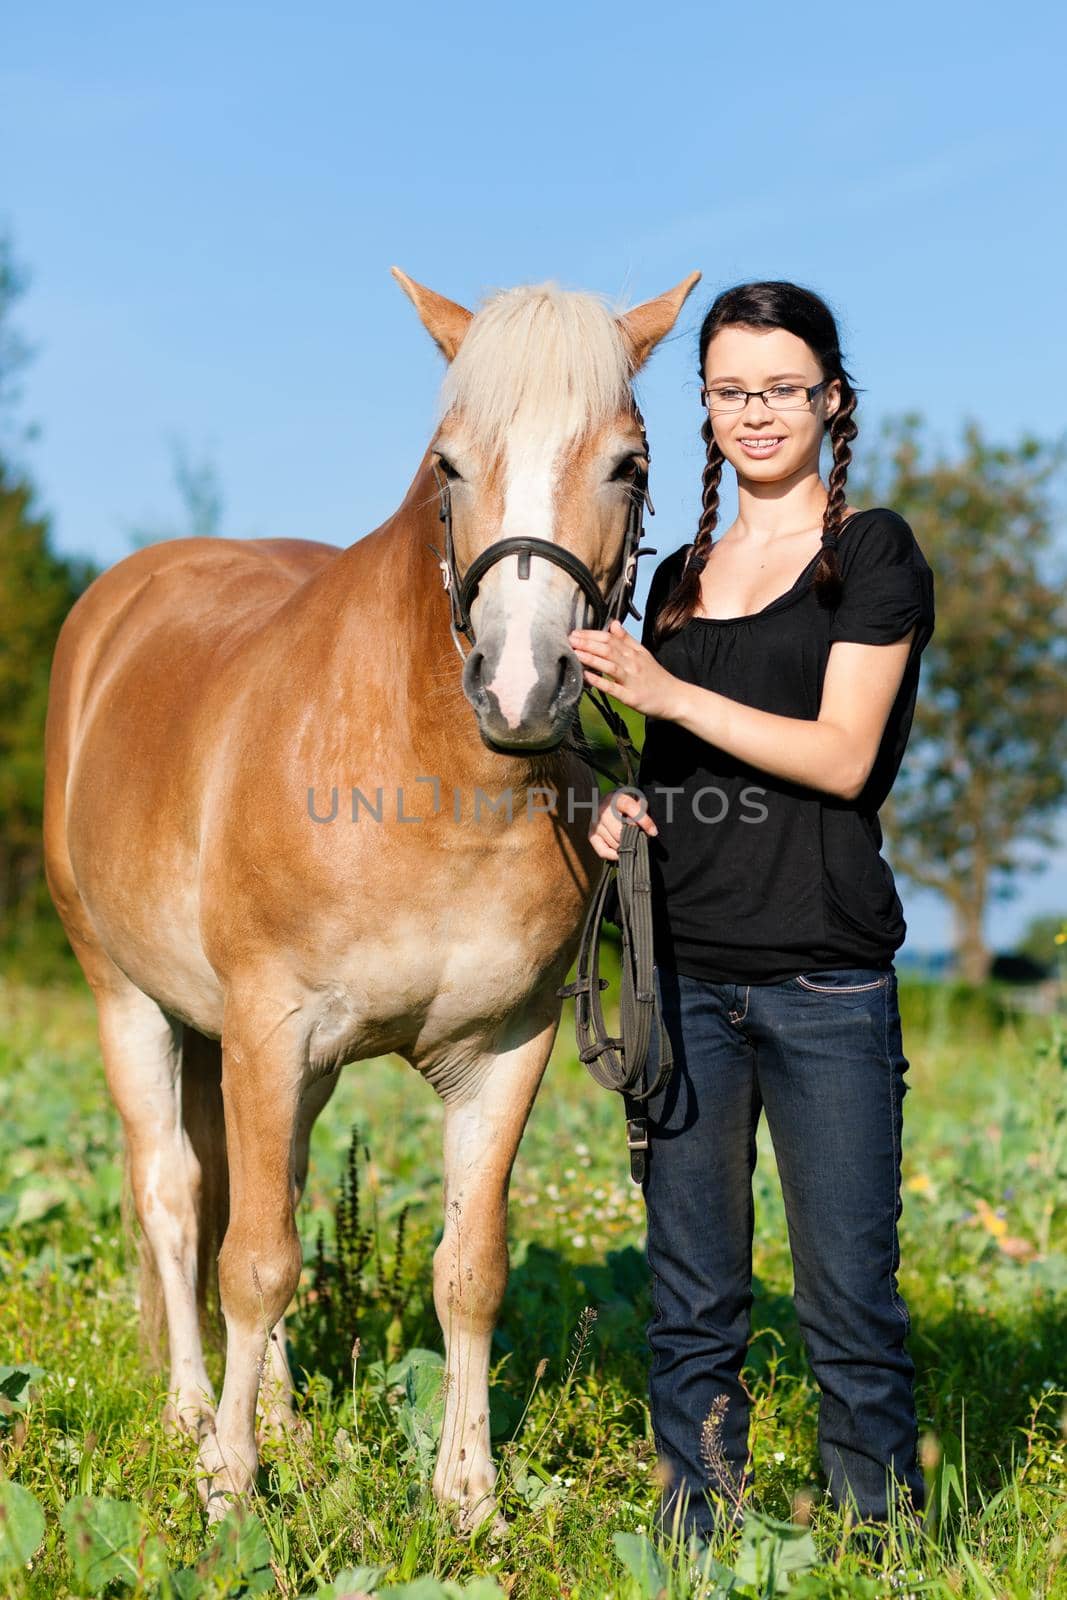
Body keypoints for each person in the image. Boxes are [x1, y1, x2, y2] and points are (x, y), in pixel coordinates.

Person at [567, 280, 935, 1554]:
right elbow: (671, 766)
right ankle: (695, 1541)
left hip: (824, 982)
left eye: (781, 387)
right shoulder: (674, 574)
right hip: (684, 985)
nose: (756, 411)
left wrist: (666, 691)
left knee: (847, 1298)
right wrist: (624, 811)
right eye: (729, 390)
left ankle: (878, 1548)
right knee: (689, 1301)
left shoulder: (870, 552)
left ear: (830, 396)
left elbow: (839, 756)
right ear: (706, 408)